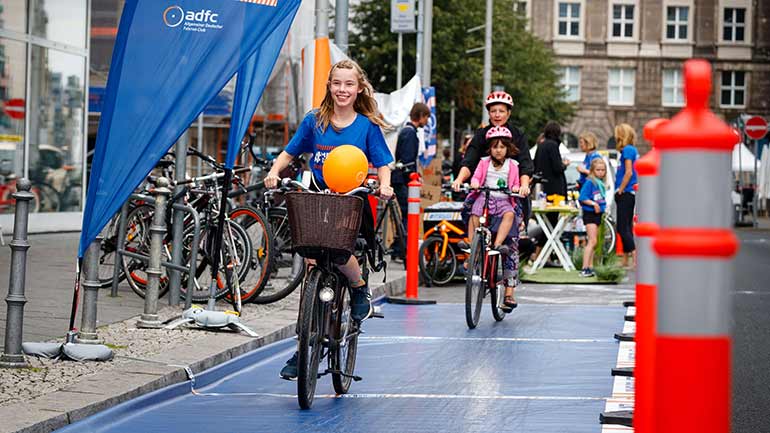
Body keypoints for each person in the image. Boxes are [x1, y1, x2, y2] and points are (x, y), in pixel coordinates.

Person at [264, 59, 394, 380]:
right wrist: (273, 172)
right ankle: (304, 344)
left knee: (338, 251)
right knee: (311, 257)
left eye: (349, 84)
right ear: (329, 86)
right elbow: (290, 152)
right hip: (319, 196)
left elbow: (382, 162)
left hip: (352, 199)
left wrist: (386, 184)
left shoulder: (365, 125)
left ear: (359, 88)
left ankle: (359, 287)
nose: (342, 90)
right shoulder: (315, 120)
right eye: (337, 83)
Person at [451, 91, 532, 309]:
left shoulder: (517, 135)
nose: (497, 114)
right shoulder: (481, 136)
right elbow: (470, 161)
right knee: (470, 208)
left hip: (510, 195)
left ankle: (508, 292)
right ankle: (473, 248)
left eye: (501, 111)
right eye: (493, 111)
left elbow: (525, 164)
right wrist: (460, 180)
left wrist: (523, 186)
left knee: (511, 241)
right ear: (488, 112)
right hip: (483, 193)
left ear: (509, 112)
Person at [468, 126, 521, 310]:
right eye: (495, 147)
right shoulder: (483, 163)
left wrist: (515, 188)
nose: (498, 150)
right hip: (485, 197)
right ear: (489, 149)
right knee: (475, 212)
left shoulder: (513, 166)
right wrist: (474, 183)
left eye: (502, 147)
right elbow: (476, 178)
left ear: (508, 149)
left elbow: (515, 183)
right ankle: (472, 244)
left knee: (510, 214)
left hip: (503, 200)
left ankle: (497, 244)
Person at [392, 102, 430, 261]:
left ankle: (398, 247)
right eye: (426, 116)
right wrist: (413, 177)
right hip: (402, 180)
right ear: (420, 116)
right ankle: (401, 249)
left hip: (400, 179)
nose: (427, 120)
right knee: (408, 212)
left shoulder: (407, 132)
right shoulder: (409, 134)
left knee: (406, 213)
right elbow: (407, 161)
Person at [614, 123, 639, 268]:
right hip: (627, 192)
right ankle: (625, 259)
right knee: (626, 227)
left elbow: (629, 172)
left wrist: (620, 189)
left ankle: (635, 257)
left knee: (623, 228)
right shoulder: (629, 150)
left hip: (626, 192)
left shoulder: (628, 150)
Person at [578, 158, 608, 277]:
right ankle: (585, 267)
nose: (600, 172)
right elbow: (582, 197)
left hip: (598, 214)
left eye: (603, 170)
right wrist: (593, 204)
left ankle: (590, 266)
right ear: (592, 170)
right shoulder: (590, 182)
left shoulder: (600, 183)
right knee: (592, 241)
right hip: (590, 213)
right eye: (598, 170)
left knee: (594, 242)